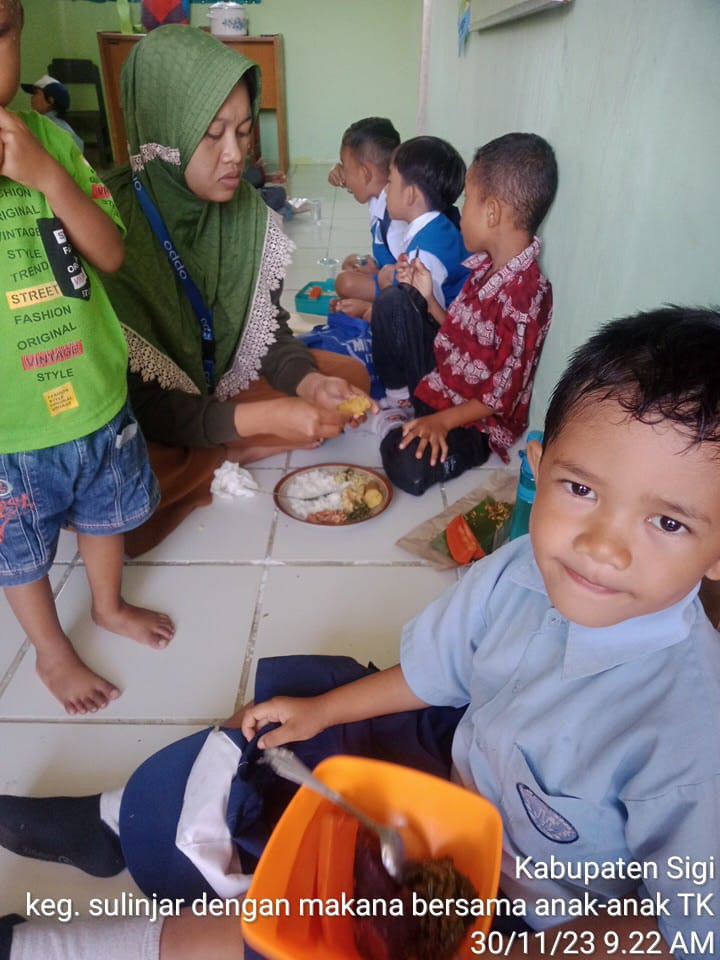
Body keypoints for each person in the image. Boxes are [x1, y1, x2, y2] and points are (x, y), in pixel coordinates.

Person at [3, 306, 719, 960]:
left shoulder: (694, 732)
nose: (602, 546)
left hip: (525, 917)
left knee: (288, 933)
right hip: (455, 767)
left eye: (667, 522)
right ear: (538, 468)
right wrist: (322, 713)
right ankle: (118, 822)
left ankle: (40, 948)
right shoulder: (522, 571)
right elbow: (434, 673)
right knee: (274, 730)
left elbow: (683, 922)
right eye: (582, 490)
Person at [98, 26, 374, 556]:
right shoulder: (108, 226)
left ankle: (231, 442)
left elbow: (266, 331)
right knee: (119, 491)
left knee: (345, 377)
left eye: (244, 131)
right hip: (158, 416)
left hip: (220, 388)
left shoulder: (245, 212)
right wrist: (266, 417)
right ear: (163, 130)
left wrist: (308, 384)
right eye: (212, 133)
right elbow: (146, 407)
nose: (234, 155)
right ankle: (244, 441)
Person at [0, 0, 173, 715]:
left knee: (107, 514)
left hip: (93, 390)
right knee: (20, 552)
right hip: (12, 433)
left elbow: (109, 251)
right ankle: (50, 651)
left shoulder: (53, 141)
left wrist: (48, 176)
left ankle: (107, 604)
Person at [372, 132, 557, 495]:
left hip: (475, 422)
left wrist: (443, 422)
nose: (460, 215)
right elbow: (457, 333)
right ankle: (405, 409)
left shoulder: (526, 298)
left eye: (468, 200)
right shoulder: (484, 266)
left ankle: (422, 429)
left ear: (492, 212)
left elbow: (499, 397)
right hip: (443, 382)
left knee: (405, 465)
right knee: (395, 302)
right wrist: (429, 301)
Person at [328, 117, 404, 318]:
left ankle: (373, 309)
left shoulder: (397, 216)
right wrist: (338, 172)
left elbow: (413, 282)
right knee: (349, 262)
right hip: (391, 274)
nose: (342, 173)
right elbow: (349, 177)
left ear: (365, 173)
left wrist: (377, 277)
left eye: (345, 166)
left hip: (405, 290)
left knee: (345, 282)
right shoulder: (380, 190)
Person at [20, 73, 83, 153]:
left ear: (50, 100)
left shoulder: (48, 125)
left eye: (36, 93)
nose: (32, 97)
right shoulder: (59, 125)